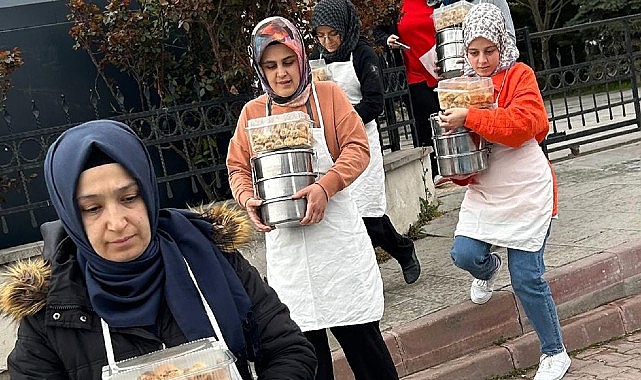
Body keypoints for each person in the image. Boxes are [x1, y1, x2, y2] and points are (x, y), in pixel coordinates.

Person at [0, 120, 317, 379]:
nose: (117, 222)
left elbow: (288, 348)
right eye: (92, 209)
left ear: (148, 194)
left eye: (129, 198)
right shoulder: (51, 310)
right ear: (69, 216)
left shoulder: (212, 257)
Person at [226, 16, 399, 380]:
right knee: (308, 357)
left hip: (337, 246)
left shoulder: (329, 97)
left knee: (365, 348)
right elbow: (238, 167)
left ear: (301, 59)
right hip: (291, 255)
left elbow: (356, 147)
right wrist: (247, 199)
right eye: (270, 66)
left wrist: (326, 186)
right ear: (260, 69)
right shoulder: (253, 114)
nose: (282, 74)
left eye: (288, 62)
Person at [437, 4, 571, 380]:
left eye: (489, 51)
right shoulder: (460, 87)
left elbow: (527, 123)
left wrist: (472, 117)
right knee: (464, 253)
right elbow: (467, 154)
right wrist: (455, 173)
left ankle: (554, 352)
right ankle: (488, 267)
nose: (482, 60)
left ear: (503, 45)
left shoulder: (518, 74)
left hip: (528, 189)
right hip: (488, 192)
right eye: (474, 52)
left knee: (527, 276)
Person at [310, 0, 420, 284]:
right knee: (347, 214)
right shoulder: (317, 60)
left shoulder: (363, 54)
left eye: (332, 34)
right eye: (320, 35)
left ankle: (403, 251)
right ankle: (363, 274)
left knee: (368, 213)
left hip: (361, 138)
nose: (327, 41)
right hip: (331, 145)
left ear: (344, 29)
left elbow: (374, 103)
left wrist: (343, 120)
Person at [373, 0, 442, 184]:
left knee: (447, 118)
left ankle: (452, 164)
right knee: (426, 120)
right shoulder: (395, 6)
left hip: (442, 68)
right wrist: (388, 40)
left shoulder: (435, 2)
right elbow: (377, 31)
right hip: (414, 73)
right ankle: (432, 171)